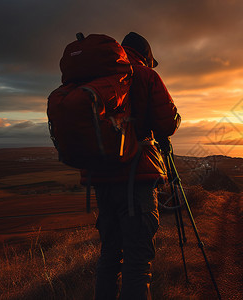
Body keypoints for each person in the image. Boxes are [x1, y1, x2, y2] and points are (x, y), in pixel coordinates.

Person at [83, 32, 181, 300]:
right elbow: (166, 124)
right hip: (137, 178)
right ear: (146, 56)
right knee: (138, 262)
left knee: (109, 256)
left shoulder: (97, 78)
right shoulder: (146, 75)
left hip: (102, 179)